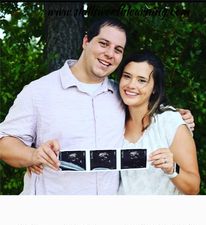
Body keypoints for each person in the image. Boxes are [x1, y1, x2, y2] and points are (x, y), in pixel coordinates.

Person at [0, 17, 195, 195]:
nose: (109, 54)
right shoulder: (38, 91)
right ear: (86, 41)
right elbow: (5, 144)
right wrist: (33, 155)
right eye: (103, 43)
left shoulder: (120, 94)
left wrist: (173, 117)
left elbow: (146, 112)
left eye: (118, 49)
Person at [118, 51, 200, 194]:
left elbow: (193, 187)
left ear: (155, 88)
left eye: (142, 80)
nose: (131, 85)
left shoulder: (169, 122)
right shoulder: (113, 120)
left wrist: (172, 168)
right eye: (127, 76)